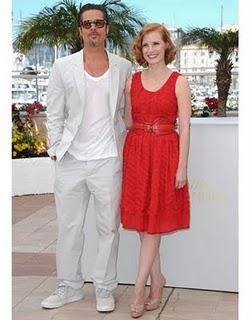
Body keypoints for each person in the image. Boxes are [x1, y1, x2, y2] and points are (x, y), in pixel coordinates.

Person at [41, 3, 131, 313]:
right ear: (80, 29)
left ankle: (104, 289)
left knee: (108, 229)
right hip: (71, 161)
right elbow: (54, 113)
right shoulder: (62, 66)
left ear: (107, 28)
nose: (94, 28)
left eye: (99, 23)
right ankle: (69, 287)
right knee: (69, 228)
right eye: (87, 23)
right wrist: (56, 150)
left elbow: (123, 111)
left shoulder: (123, 66)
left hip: (108, 160)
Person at [120, 23, 191, 318]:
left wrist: (181, 166)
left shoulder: (179, 81)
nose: (150, 50)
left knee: (153, 223)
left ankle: (139, 287)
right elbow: (127, 121)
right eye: (146, 45)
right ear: (141, 49)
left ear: (166, 47)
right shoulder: (131, 81)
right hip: (137, 152)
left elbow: (185, 126)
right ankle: (157, 280)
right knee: (144, 222)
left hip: (165, 153)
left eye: (156, 44)